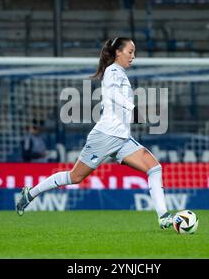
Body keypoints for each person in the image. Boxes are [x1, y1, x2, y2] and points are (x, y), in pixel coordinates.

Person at [16, 37, 174, 229]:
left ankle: (163, 217)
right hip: (105, 136)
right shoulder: (113, 71)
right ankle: (30, 193)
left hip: (122, 138)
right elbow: (114, 95)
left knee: (154, 167)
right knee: (75, 177)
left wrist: (134, 115)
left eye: (134, 52)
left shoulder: (120, 73)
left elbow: (114, 104)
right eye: (130, 51)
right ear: (118, 52)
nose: (133, 56)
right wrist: (134, 109)